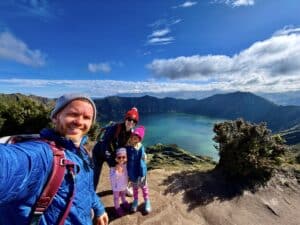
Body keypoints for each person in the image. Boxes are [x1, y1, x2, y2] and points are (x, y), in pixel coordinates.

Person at [0, 93, 109, 225]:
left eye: (87, 117)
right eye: (73, 114)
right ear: (55, 117)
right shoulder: (41, 155)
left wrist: (98, 208)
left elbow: (87, 187)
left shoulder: (82, 152)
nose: (80, 122)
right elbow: (9, 165)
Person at [92, 107, 139, 190]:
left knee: (123, 168)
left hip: (111, 153)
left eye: (134, 121)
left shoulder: (131, 133)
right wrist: (113, 163)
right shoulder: (115, 128)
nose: (131, 122)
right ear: (125, 119)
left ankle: (123, 187)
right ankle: (91, 194)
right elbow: (104, 145)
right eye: (129, 119)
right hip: (99, 153)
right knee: (95, 175)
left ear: (135, 123)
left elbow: (128, 148)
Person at [126, 126, 151, 214]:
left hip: (141, 173)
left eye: (136, 138)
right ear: (131, 138)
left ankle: (147, 201)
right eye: (133, 137)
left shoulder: (141, 147)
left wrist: (144, 156)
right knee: (135, 188)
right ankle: (136, 201)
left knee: (144, 188)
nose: (134, 139)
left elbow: (143, 157)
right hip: (132, 173)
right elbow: (125, 158)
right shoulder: (128, 148)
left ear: (139, 139)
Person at [109, 147, 130, 216]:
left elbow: (127, 174)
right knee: (116, 198)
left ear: (126, 158)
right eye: (119, 157)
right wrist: (116, 172)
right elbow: (112, 178)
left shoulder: (126, 165)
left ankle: (124, 202)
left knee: (123, 195)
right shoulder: (113, 167)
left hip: (124, 185)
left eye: (123, 157)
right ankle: (117, 207)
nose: (121, 159)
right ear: (116, 158)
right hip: (116, 186)